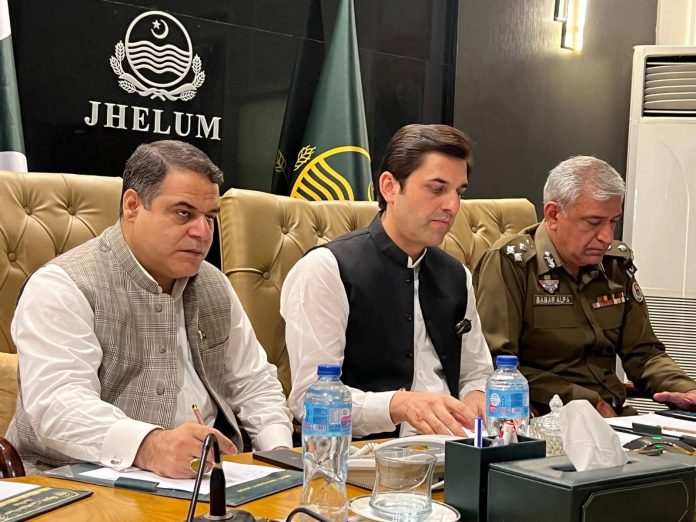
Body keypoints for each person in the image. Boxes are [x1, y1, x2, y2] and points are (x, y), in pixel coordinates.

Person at [6, 140, 292, 477]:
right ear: (132, 205)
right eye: (184, 213)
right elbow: (59, 405)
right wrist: (150, 446)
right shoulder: (62, 285)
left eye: (210, 217)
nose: (202, 233)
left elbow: (254, 383)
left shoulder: (214, 283)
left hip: (205, 479)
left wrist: (279, 455)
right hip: (73, 479)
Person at [281, 124, 493, 438]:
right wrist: (397, 406)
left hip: (455, 448)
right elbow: (310, 401)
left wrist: (477, 396)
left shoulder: (456, 274)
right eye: (437, 189)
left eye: (459, 193)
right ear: (390, 187)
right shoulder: (326, 269)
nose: (452, 206)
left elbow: (477, 373)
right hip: (365, 454)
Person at [473, 155, 696, 417]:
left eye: (613, 221)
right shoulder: (513, 264)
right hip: (546, 418)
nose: (607, 237)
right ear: (553, 215)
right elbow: (496, 365)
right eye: (594, 222)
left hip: (613, 419)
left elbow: (644, 353)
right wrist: (583, 400)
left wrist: (685, 389)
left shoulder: (614, 264)